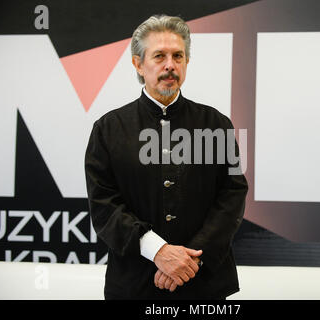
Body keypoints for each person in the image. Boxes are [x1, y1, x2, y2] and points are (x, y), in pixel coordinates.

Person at [85, 14, 248, 300]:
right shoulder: (108, 129)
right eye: (159, 56)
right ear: (138, 63)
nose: (170, 65)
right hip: (134, 285)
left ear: (186, 62)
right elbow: (104, 206)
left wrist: (192, 259)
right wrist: (157, 251)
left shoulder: (216, 124)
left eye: (178, 56)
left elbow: (232, 195)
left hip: (204, 284)